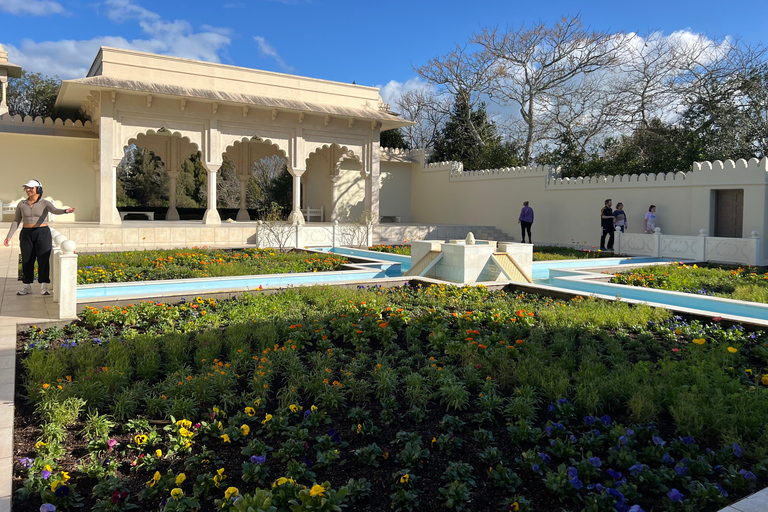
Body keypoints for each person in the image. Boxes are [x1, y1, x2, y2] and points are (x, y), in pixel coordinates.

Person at [3, 179, 76, 295]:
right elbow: (17, 220)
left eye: (31, 188)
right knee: (26, 259)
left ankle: (44, 286)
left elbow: (55, 210)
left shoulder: (45, 203)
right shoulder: (22, 204)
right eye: (26, 188)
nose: (28, 190)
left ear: (38, 189)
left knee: (43, 259)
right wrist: (9, 236)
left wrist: (65, 211)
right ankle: (27, 286)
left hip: (42, 232)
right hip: (26, 233)